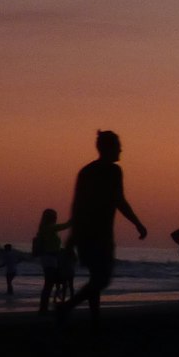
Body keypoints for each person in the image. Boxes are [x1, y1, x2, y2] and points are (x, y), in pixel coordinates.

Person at [60, 130, 147, 322]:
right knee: (102, 278)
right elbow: (119, 201)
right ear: (109, 148)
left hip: (85, 232)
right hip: (99, 234)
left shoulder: (86, 171)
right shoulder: (112, 171)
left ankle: (94, 317)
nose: (121, 149)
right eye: (118, 146)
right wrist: (137, 223)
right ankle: (68, 306)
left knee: (96, 277)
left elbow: (77, 205)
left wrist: (72, 237)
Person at [34, 208, 70, 313]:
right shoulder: (49, 228)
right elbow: (65, 226)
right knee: (49, 284)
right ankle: (43, 308)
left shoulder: (46, 228)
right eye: (54, 216)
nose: (56, 217)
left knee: (53, 282)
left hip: (51, 258)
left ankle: (45, 307)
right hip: (49, 258)